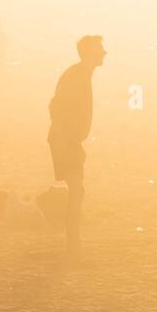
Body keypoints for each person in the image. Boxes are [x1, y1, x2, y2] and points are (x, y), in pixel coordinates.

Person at [48, 35, 106, 257]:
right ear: (90, 52)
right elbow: (55, 107)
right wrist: (63, 142)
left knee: (76, 192)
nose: (104, 52)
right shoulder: (77, 75)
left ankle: (73, 245)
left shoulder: (81, 74)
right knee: (76, 191)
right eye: (100, 49)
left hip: (69, 140)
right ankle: (73, 246)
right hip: (65, 140)